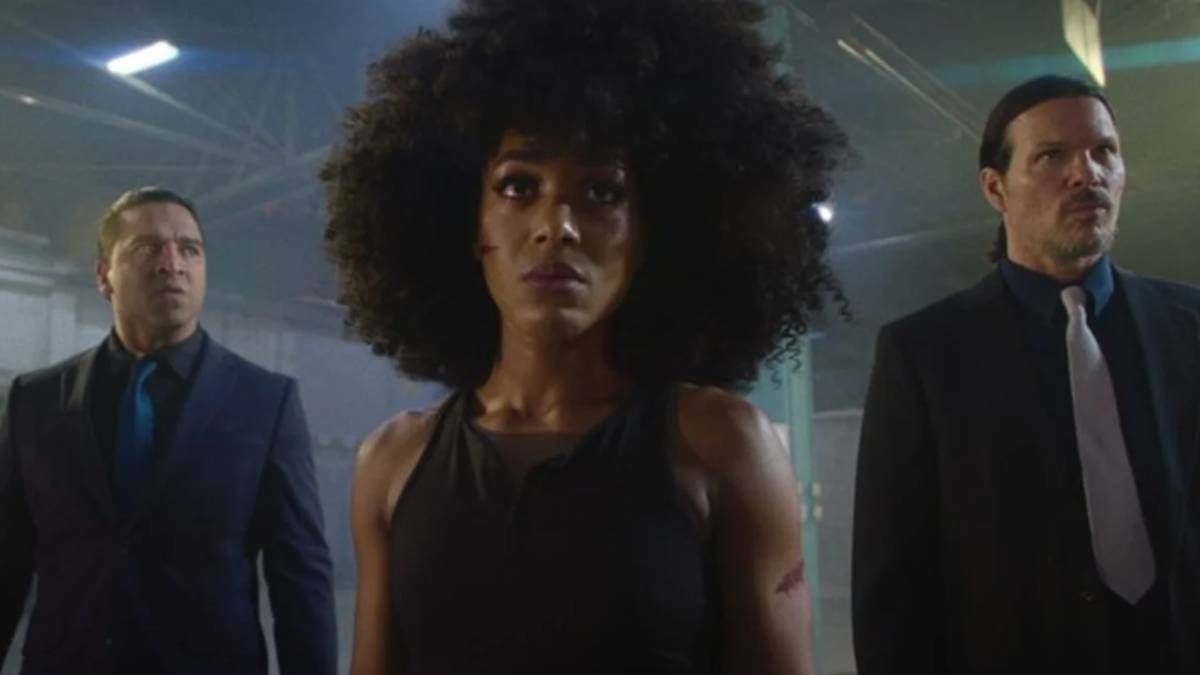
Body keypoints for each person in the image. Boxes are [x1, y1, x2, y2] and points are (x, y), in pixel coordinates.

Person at [320, 0, 849, 672]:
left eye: (601, 192)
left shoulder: (720, 445)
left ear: (649, 231)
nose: (557, 226)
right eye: (519, 185)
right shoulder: (392, 462)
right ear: (470, 223)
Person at [852, 74, 1200, 674]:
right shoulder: (926, 355)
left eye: (1105, 151)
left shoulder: (1188, 326)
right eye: (1051, 156)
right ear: (995, 188)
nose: (1086, 174)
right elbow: (895, 593)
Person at [0, 187, 337, 675]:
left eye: (189, 249)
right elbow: (7, 560)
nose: (172, 264)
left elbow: (300, 575)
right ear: (104, 275)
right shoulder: (36, 401)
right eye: (147, 248)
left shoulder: (266, 404)